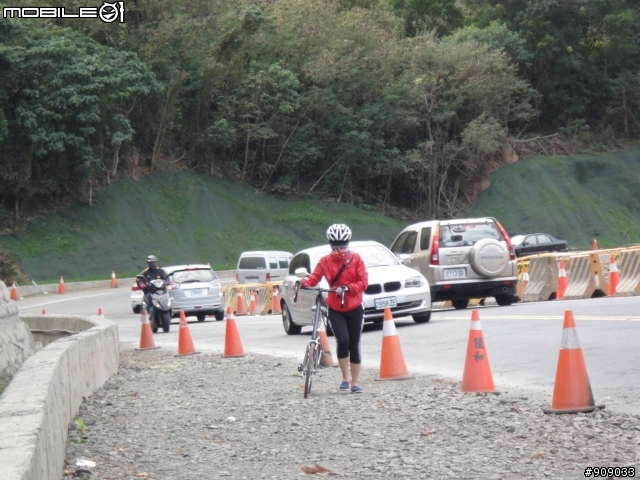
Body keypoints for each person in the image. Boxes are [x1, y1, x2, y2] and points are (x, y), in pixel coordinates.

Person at [300, 224, 369, 393]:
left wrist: (348, 288)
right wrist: (303, 283)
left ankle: (355, 382)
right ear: (331, 244)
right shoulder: (325, 261)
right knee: (342, 340)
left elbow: (364, 282)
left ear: (348, 243)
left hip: (354, 306)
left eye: (342, 245)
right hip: (335, 307)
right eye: (336, 245)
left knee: (354, 343)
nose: (339, 249)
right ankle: (345, 378)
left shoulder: (356, 259)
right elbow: (314, 278)